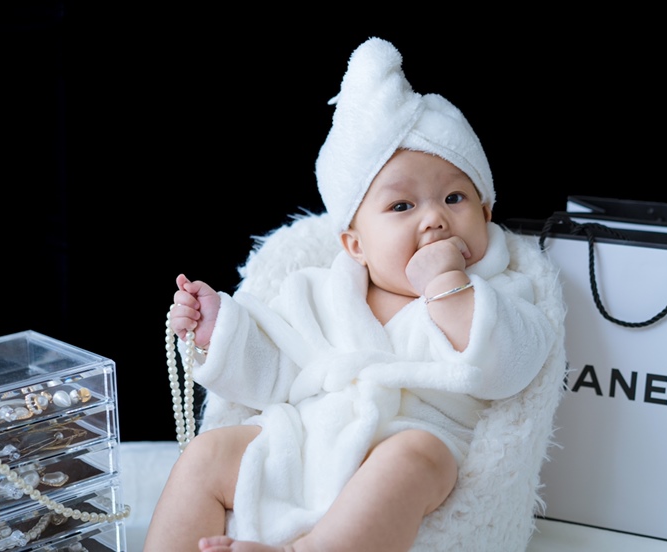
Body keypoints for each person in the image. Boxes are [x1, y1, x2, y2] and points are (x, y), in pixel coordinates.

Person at [144, 37, 560, 552]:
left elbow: (511, 368)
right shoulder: (320, 291)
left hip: (418, 439)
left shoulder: (502, 290)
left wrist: (448, 287)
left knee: (412, 459)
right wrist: (218, 331)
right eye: (402, 206)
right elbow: (272, 371)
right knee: (206, 455)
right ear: (355, 244)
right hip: (307, 440)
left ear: (486, 212)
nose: (434, 218)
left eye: (455, 197)